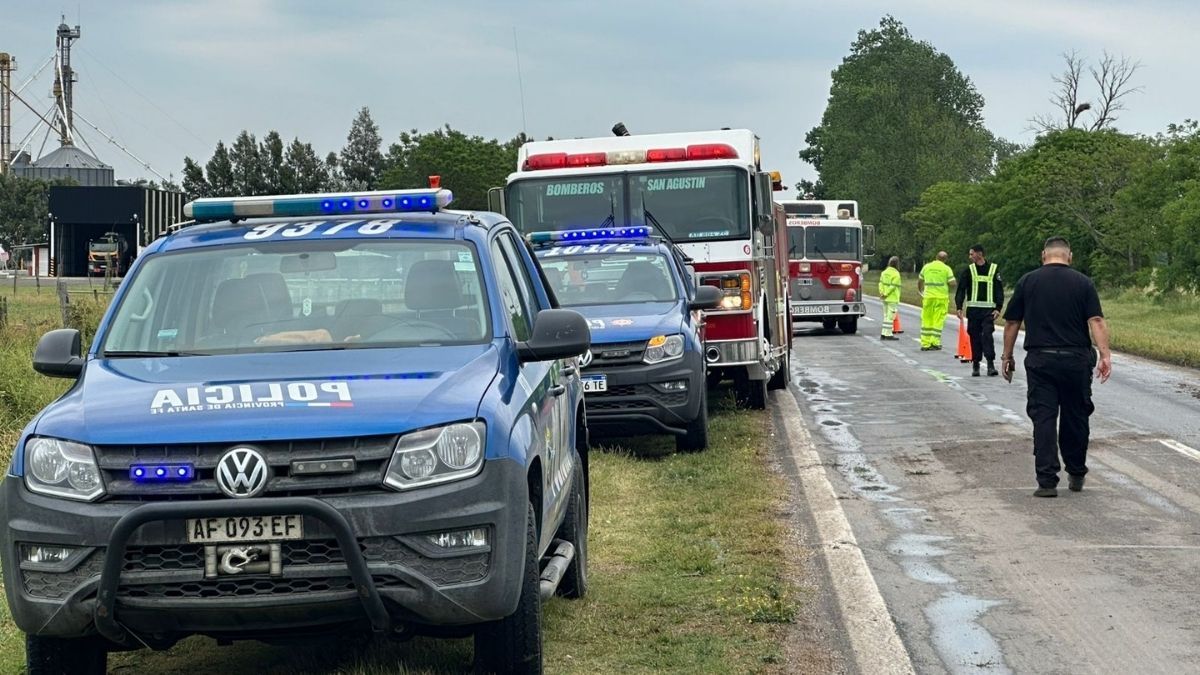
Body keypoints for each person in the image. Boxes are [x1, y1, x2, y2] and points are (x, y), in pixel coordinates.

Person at [1001, 236, 1112, 498]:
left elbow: (1012, 322)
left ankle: (1047, 480)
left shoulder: (1028, 281)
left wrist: (1007, 356)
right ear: (1069, 256)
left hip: (1041, 360)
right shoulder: (1083, 283)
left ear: (1044, 255)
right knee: (1076, 416)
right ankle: (1076, 472)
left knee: (1044, 418)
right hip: (1076, 360)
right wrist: (1105, 355)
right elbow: (1095, 319)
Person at [955, 245, 1004, 377]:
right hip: (974, 311)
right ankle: (976, 364)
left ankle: (990, 365)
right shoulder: (968, 270)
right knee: (974, 336)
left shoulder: (993, 269)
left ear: (980, 254)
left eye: (972, 254)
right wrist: (959, 306)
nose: (970, 257)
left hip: (988, 311)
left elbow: (999, 290)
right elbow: (961, 290)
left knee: (987, 335)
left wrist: (998, 308)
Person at [917, 251, 955, 351]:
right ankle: (935, 342)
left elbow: (920, 280)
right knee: (938, 320)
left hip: (928, 297)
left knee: (926, 318)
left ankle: (925, 344)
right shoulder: (946, 269)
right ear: (945, 259)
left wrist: (920, 291)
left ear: (936, 257)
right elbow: (952, 283)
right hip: (941, 298)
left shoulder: (927, 267)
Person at [878, 256, 902, 341]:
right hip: (892, 298)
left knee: (885, 316)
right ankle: (888, 334)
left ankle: (883, 333)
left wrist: (882, 293)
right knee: (890, 317)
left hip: (884, 298)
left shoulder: (884, 272)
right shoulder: (896, 274)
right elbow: (893, 286)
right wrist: (886, 293)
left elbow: (880, 283)